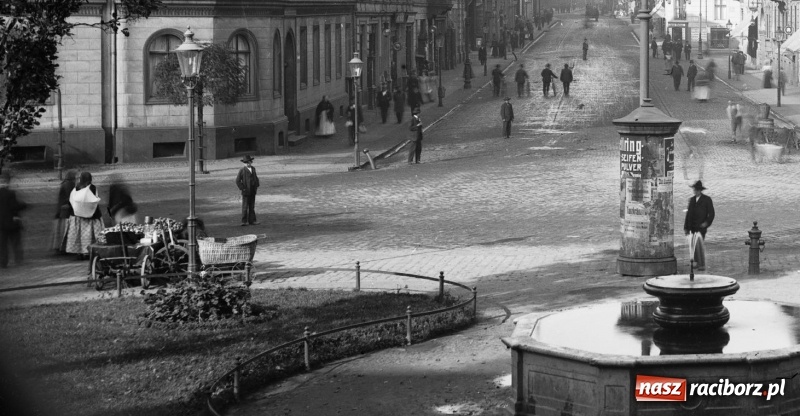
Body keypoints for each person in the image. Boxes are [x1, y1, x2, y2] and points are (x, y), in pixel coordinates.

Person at [64, 172, 104, 259]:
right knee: (90, 236)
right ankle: (90, 251)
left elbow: (71, 201)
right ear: (90, 180)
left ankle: (80, 252)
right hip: (92, 217)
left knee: (79, 236)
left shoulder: (76, 188)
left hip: (77, 217)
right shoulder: (92, 188)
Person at [684, 180, 715, 271]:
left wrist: (706, 223)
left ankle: (702, 264)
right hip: (692, 227)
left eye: (697, 190)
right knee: (693, 244)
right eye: (694, 190)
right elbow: (688, 215)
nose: (695, 191)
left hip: (701, 227)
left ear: (700, 190)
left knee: (699, 244)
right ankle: (696, 262)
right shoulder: (692, 200)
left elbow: (712, 214)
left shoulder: (707, 200)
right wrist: (686, 227)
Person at [0, 172, 27, 268]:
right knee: (15, 241)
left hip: (1, 223)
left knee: (3, 244)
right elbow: (14, 206)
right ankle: (18, 259)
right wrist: (24, 205)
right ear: (8, 181)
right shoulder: (10, 193)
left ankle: (3, 262)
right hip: (12, 222)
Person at [51, 170, 76, 253]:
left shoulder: (65, 184)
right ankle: (64, 247)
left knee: (60, 229)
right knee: (65, 229)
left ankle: (59, 247)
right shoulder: (69, 185)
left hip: (61, 210)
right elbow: (70, 197)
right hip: (66, 211)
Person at [235, 155, 260, 226]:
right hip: (246, 191)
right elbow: (237, 181)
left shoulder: (253, 169)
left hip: (253, 190)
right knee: (245, 207)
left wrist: (256, 185)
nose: (247, 164)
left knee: (252, 206)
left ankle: (252, 220)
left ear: (251, 162)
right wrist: (243, 188)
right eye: (245, 163)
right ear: (244, 163)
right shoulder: (242, 170)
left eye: (248, 162)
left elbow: (256, 177)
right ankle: (244, 221)